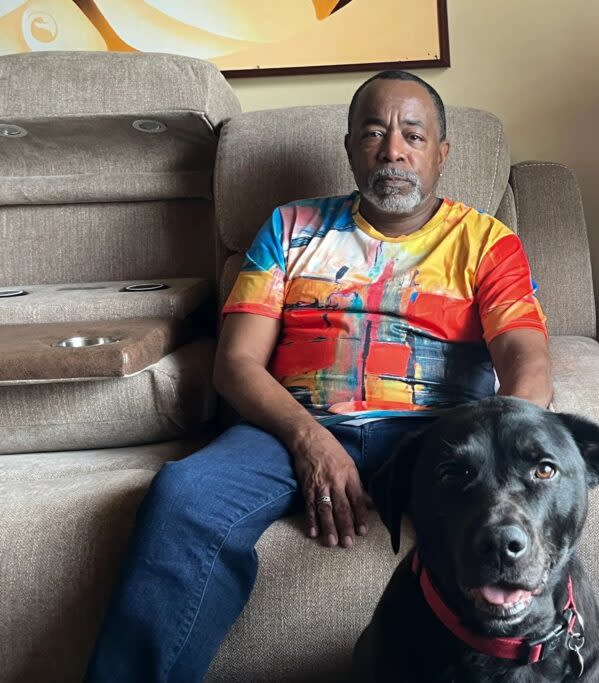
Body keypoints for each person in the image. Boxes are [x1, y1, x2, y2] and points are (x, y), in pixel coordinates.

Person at [85, 70, 552, 682]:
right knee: (186, 496)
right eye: (373, 132)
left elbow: (528, 361)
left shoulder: (487, 243)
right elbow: (235, 363)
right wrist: (310, 439)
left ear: (441, 153)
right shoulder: (289, 227)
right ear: (350, 147)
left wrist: (505, 463)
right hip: (289, 426)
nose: (393, 150)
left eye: (413, 134)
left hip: (434, 432)